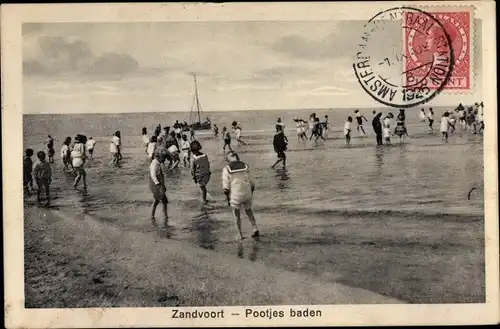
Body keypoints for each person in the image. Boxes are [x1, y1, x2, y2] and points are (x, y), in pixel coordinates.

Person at [222, 151, 259, 241]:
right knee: (248, 210)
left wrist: (228, 198)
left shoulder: (227, 169)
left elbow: (226, 187)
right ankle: (255, 228)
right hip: (247, 192)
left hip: (235, 194)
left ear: (229, 159)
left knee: (236, 215)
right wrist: (251, 194)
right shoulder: (245, 166)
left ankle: (240, 234)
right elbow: (252, 183)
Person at [149, 147, 169, 229]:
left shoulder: (156, 162)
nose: (164, 160)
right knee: (164, 201)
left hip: (158, 184)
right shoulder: (154, 164)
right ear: (159, 156)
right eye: (164, 158)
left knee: (156, 201)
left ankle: (152, 215)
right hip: (156, 185)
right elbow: (153, 175)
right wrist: (158, 185)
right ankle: (165, 216)